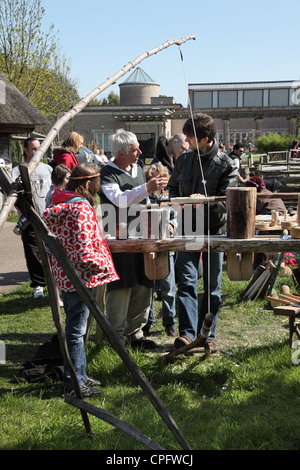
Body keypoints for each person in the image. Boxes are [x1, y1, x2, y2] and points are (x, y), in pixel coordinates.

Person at [43, 163, 119, 397]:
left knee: (77, 329)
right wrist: (103, 267)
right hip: (80, 278)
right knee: (76, 332)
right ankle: (74, 384)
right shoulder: (81, 209)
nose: (98, 189)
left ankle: (81, 376)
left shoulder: (60, 202)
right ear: (87, 184)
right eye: (97, 185)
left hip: (67, 276)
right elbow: (84, 250)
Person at [168, 113, 238, 352]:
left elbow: (229, 204)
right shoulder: (183, 160)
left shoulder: (226, 164)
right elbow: (172, 191)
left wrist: (207, 201)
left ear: (206, 138)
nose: (185, 141)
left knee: (212, 287)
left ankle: (207, 335)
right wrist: (180, 204)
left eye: (190, 137)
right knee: (185, 282)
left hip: (213, 232)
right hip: (187, 230)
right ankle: (187, 335)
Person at [100, 129, 168, 349]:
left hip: (142, 234)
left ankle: (135, 334)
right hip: (119, 238)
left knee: (143, 281)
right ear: (120, 152)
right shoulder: (108, 173)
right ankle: (116, 337)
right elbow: (119, 200)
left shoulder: (137, 168)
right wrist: (146, 187)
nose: (140, 152)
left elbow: (144, 199)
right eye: (134, 149)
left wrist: (155, 196)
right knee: (121, 286)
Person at [10, 137, 52, 299]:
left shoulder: (48, 170)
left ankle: (56, 283)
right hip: (29, 219)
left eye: (39, 148)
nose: (37, 152)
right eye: (34, 149)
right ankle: (39, 285)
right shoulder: (16, 171)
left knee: (53, 251)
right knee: (33, 253)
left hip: (48, 218)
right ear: (26, 151)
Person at [142, 163, 177, 337]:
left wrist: (171, 224)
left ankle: (169, 320)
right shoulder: (144, 196)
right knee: (149, 285)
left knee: (168, 286)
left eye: (162, 178)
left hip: (166, 246)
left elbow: (175, 216)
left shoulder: (168, 196)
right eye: (155, 178)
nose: (159, 181)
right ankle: (147, 321)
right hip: (148, 245)